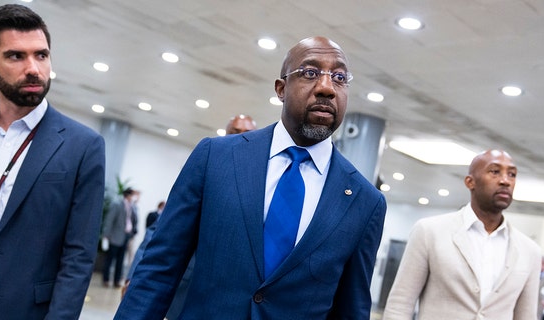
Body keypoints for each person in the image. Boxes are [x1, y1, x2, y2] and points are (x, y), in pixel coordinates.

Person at [115, 36, 387, 319]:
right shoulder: (215, 158)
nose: (326, 87)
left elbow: (352, 309)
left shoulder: (364, 201)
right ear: (281, 89)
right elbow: (159, 268)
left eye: (340, 77)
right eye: (310, 73)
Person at [0, 4, 106, 319]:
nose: (33, 68)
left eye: (41, 55)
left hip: (21, 310)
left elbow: (78, 256)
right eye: (15, 56)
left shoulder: (82, 146)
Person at [122, 115, 258, 319]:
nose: (241, 138)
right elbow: (161, 234)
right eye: (235, 132)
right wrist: (134, 276)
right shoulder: (209, 167)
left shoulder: (260, 182)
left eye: (247, 134)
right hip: (183, 290)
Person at [383, 149, 542, 320]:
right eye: (495, 172)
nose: (505, 181)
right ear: (470, 182)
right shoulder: (430, 231)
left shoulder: (529, 250)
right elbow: (400, 303)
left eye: (512, 174)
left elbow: (526, 316)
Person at [102, 188, 138, 288]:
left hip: (126, 237)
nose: (133, 197)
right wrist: (106, 235)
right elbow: (109, 220)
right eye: (132, 195)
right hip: (115, 236)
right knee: (110, 260)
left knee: (120, 261)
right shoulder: (117, 205)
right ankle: (106, 279)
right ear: (127, 195)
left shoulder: (132, 207)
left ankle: (117, 281)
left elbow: (133, 220)